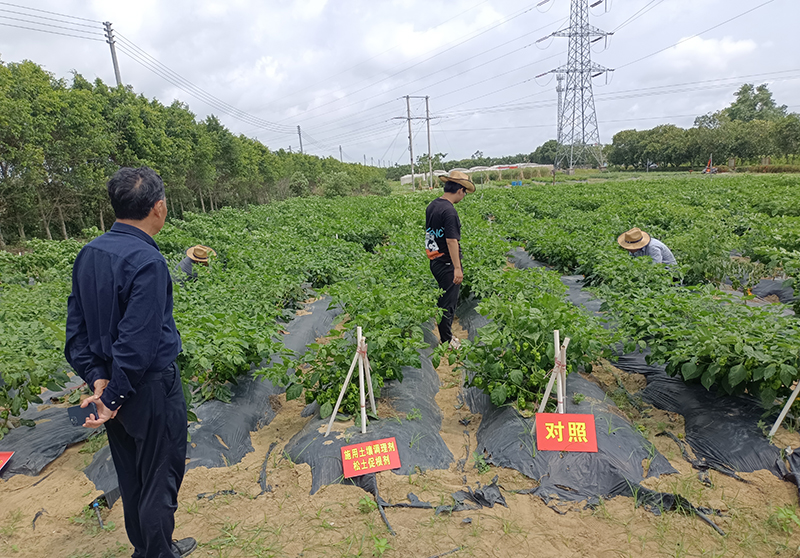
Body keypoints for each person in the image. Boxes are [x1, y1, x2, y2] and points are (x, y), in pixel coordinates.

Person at [65, 167, 195, 558]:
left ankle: (150, 548)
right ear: (159, 207)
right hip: (148, 386)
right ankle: (157, 554)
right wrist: (115, 393)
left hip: (113, 387)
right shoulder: (147, 261)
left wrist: (99, 381)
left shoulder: (90, 253)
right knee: (160, 475)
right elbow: (138, 344)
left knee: (133, 473)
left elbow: (77, 331)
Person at [425, 170, 475, 349]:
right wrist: (457, 267)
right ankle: (446, 340)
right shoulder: (449, 211)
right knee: (448, 303)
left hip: (435, 260)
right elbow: (451, 241)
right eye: (465, 193)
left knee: (444, 299)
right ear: (460, 190)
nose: (464, 196)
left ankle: (446, 334)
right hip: (447, 263)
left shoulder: (433, 205)